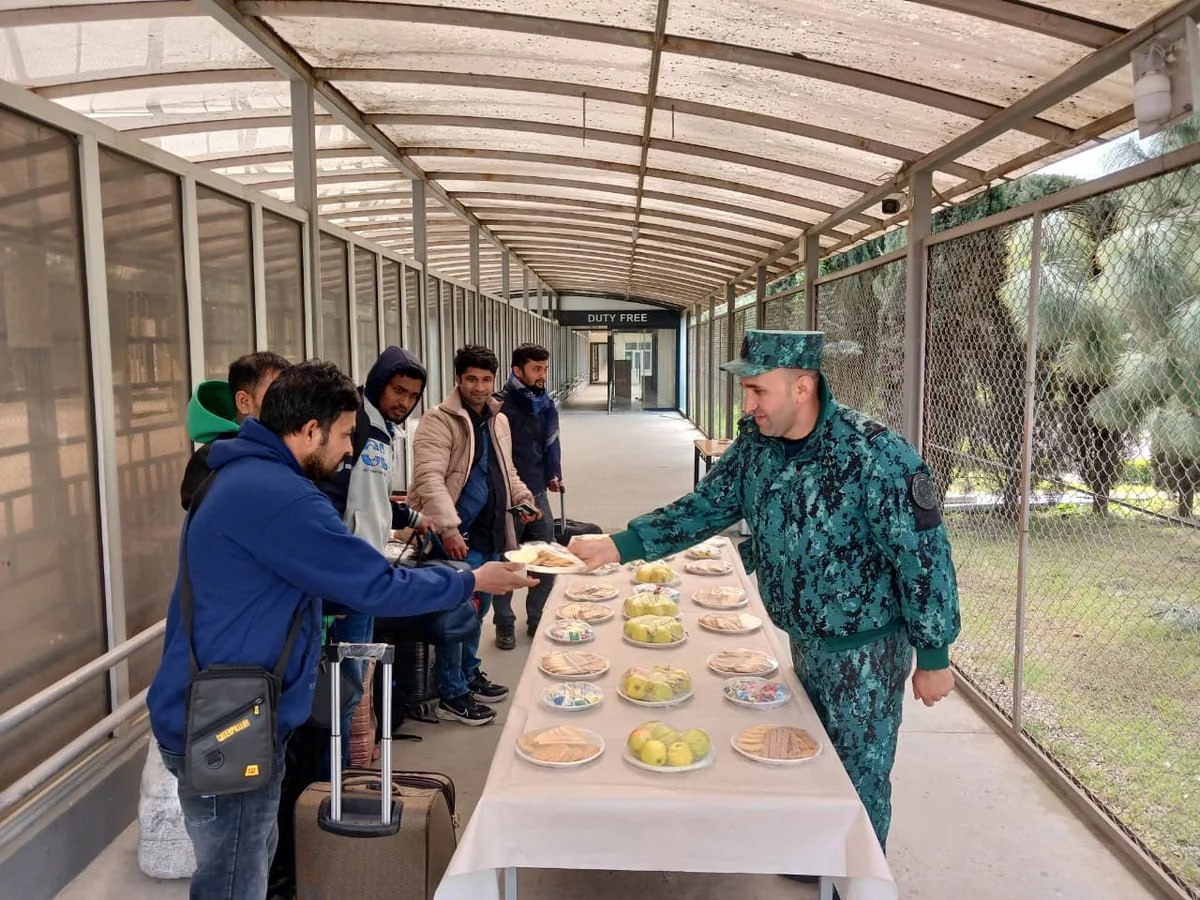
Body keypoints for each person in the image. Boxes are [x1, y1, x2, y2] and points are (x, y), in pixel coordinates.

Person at [148, 360, 536, 900]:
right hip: (228, 719)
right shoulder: (279, 496)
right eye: (346, 435)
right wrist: (470, 579)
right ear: (311, 430)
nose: (350, 450)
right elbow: (374, 585)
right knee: (233, 875)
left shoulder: (238, 473)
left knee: (250, 853)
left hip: (229, 701)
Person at [569, 330, 960, 854]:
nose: (747, 404)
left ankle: (855, 879)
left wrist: (934, 656)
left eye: (758, 391)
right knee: (806, 753)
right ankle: (814, 856)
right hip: (802, 633)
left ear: (802, 387)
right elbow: (706, 507)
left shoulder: (874, 454)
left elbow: (923, 557)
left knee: (858, 776)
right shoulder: (758, 445)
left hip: (864, 646)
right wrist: (619, 545)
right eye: (745, 391)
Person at [409, 344, 540, 724]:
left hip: (490, 531)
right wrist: (448, 529)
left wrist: (523, 498)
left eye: (486, 379)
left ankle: (469, 674)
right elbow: (430, 479)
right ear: (457, 379)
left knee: (476, 612)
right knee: (456, 615)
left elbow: (506, 471)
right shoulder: (439, 421)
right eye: (471, 379)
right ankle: (451, 693)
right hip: (457, 536)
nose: (480, 387)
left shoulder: (498, 419)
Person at [317, 345, 433, 758]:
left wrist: (414, 517)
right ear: (379, 383)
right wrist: (336, 580)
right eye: (398, 391)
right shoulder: (358, 426)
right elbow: (335, 500)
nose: (405, 402)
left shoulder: (383, 428)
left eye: (413, 396)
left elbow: (374, 498)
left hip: (365, 572)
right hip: (348, 578)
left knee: (356, 677)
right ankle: (336, 772)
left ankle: (348, 760)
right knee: (344, 682)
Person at [492, 342, 563, 648]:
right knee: (506, 560)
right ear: (517, 370)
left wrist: (553, 473)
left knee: (545, 559)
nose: (542, 374)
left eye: (544, 368)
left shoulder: (544, 403)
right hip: (507, 497)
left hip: (536, 491)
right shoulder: (499, 405)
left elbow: (551, 443)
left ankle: (537, 618)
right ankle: (504, 624)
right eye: (536, 369)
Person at [180, 351, 291, 510]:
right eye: (276, 395)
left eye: (289, 395)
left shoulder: (288, 441)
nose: (287, 404)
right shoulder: (211, 458)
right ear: (244, 402)